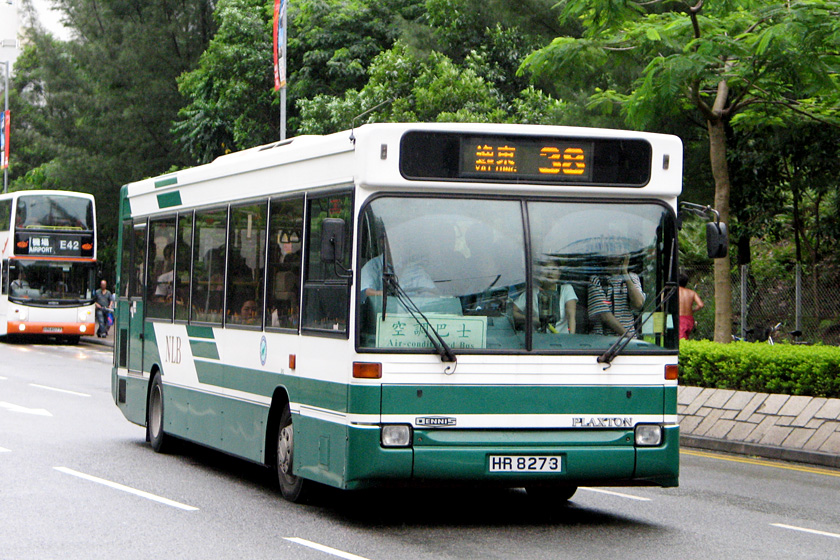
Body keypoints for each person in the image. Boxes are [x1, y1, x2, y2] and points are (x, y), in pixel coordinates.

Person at [588, 254, 645, 336]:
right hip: (603, 341)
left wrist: (625, 273)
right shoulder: (596, 280)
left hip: (627, 341)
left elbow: (638, 304)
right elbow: (605, 315)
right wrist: (628, 336)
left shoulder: (632, 278)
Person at [512, 263, 577, 333]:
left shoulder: (566, 289)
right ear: (540, 273)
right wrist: (531, 319)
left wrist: (571, 337)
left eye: (554, 269)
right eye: (546, 269)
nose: (550, 273)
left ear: (559, 273)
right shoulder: (531, 293)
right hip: (537, 338)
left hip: (561, 338)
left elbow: (571, 317)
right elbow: (512, 312)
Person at [679, 273, 705, 340]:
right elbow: (701, 304)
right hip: (689, 318)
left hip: (679, 318)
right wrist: (693, 310)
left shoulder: (675, 292)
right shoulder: (692, 292)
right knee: (686, 338)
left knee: (681, 340)